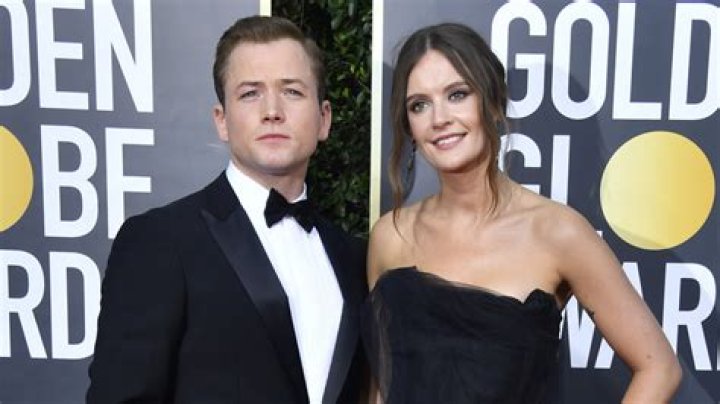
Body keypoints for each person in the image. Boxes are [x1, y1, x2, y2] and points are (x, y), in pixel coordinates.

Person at [364, 22, 681, 403]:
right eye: (419, 104)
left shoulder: (556, 232)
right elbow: (382, 384)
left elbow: (659, 368)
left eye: (457, 94)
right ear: (408, 124)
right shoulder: (391, 236)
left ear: (493, 103)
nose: (439, 118)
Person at [88, 15, 368, 404]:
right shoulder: (160, 241)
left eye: (292, 91)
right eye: (250, 93)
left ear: (324, 120)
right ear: (221, 121)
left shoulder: (352, 256)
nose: (272, 111)